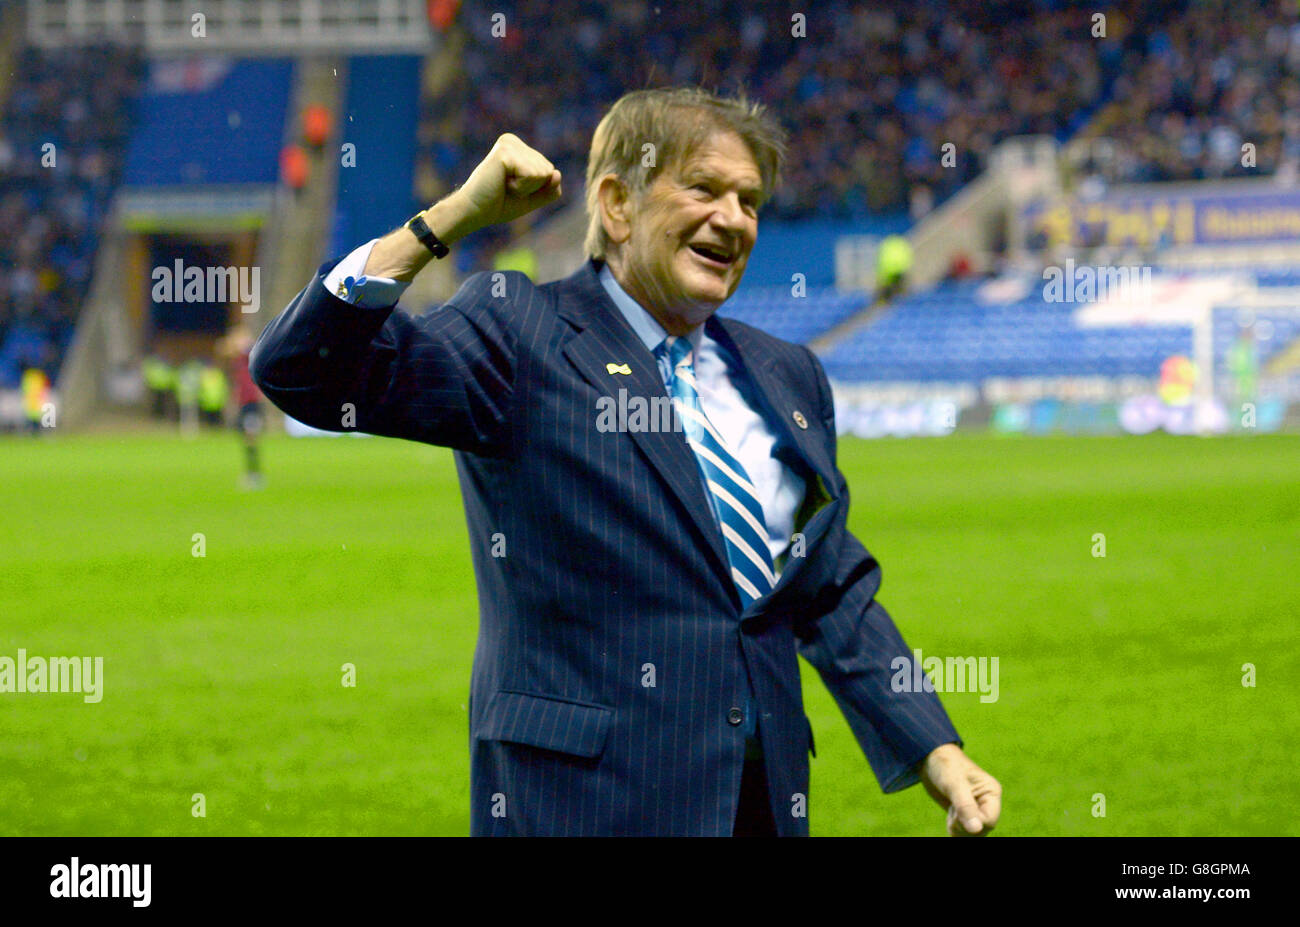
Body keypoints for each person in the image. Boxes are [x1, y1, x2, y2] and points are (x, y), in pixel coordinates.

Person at [250, 87, 1001, 837]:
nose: (734, 219)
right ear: (617, 204)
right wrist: (445, 221)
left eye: (750, 200)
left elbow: (829, 586)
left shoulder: (788, 375)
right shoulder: (521, 333)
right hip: (582, 804)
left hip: (761, 805)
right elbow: (301, 372)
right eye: (704, 188)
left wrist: (933, 745)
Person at [218, 325, 267, 489]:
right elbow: (222, 349)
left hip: (252, 403)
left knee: (250, 438)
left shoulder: (250, 354)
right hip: (244, 403)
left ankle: (255, 475)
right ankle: (253, 474)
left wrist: (241, 341)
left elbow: (247, 346)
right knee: (246, 439)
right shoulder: (238, 359)